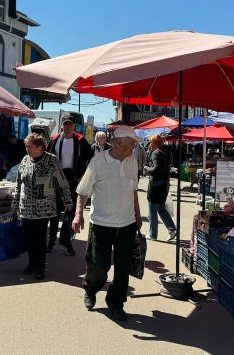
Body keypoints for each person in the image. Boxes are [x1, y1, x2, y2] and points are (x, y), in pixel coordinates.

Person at [72, 126, 143, 322]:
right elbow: (83, 191)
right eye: (132, 143)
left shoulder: (132, 161)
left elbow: (134, 191)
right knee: (98, 265)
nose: (135, 146)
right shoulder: (98, 162)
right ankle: (91, 288)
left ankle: (116, 303)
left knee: (122, 269)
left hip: (127, 224)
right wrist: (78, 215)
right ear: (119, 143)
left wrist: (137, 216)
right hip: (101, 224)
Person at [12, 133, 73, 279]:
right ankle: (31, 263)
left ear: (40, 147)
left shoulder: (52, 160)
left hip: (44, 207)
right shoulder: (25, 160)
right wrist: (15, 203)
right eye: (26, 146)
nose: (27, 150)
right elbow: (19, 183)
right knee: (28, 238)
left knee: (39, 239)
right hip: (26, 207)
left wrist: (68, 200)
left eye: (30, 147)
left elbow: (62, 182)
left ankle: (40, 266)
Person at [47, 113, 94, 256]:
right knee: (54, 213)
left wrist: (83, 176)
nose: (67, 126)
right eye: (65, 124)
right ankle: (51, 241)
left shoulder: (80, 140)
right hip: (56, 182)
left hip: (73, 182)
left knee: (71, 213)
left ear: (74, 126)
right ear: (61, 125)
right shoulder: (54, 140)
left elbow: (91, 160)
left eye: (70, 124)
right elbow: (46, 157)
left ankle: (66, 242)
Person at [143, 134, 177, 241]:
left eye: (150, 142)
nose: (149, 144)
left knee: (152, 209)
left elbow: (157, 168)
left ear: (154, 143)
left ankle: (153, 234)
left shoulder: (156, 153)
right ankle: (172, 229)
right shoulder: (167, 152)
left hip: (155, 185)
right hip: (164, 183)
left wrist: (148, 169)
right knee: (161, 208)